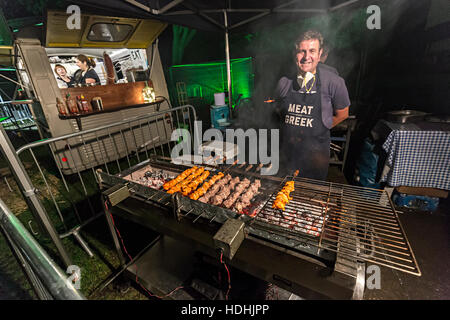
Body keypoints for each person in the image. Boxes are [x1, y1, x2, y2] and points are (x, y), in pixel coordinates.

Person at [274, 30, 350, 180]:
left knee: (311, 197)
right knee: (283, 196)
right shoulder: (284, 82)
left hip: (316, 156)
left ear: (320, 53)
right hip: (288, 154)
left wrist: (320, 128)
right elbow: (278, 109)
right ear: (294, 53)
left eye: (312, 51)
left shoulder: (334, 82)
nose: (306, 57)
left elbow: (343, 113)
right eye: (301, 51)